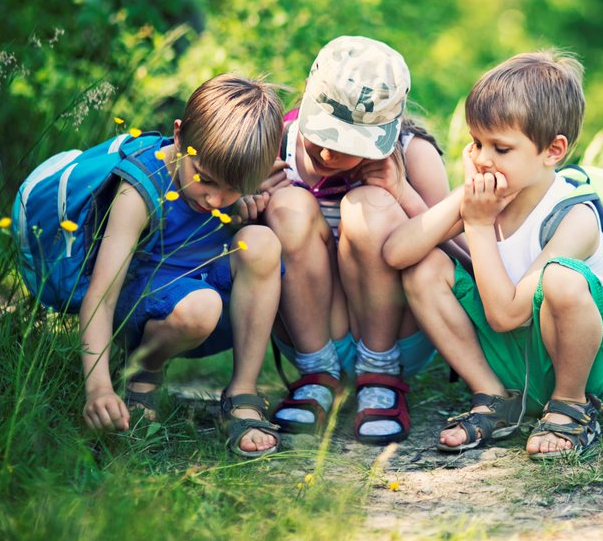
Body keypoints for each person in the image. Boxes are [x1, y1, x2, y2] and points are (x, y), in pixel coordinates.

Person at [384, 50, 603, 459]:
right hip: (507, 358)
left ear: (552, 151)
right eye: (476, 143)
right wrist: (463, 201)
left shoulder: (575, 216)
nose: (481, 159)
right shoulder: (485, 194)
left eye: (501, 148)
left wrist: (477, 225)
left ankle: (570, 409)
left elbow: (507, 313)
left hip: (574, 362)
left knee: (562, 279)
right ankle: (494, 397)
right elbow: (396, 253)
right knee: (423, 267)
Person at [78, 74, 286, 458]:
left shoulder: (232, 172)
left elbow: (232, 213)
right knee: (201, 306)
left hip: (206, 295)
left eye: (232, 189)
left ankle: (242, 392)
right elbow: (101, 297)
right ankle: (143, 369)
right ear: (178, 135)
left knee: (262, 242)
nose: (215, 199)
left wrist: (243, 213)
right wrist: (98, 389)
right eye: (204, 180)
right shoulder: (141, 187)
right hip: (143, 308)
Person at [262, 36, 455, 444]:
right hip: (310, 328)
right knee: (288, 205)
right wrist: (251, 201)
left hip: (397, 335)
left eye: (347, 145)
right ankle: (317, 372)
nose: (329, 155)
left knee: (368, 205)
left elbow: (457, 254)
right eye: (323, 135)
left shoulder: (414, 153)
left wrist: (401, 193)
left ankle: (380, 373)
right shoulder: (276, 144)